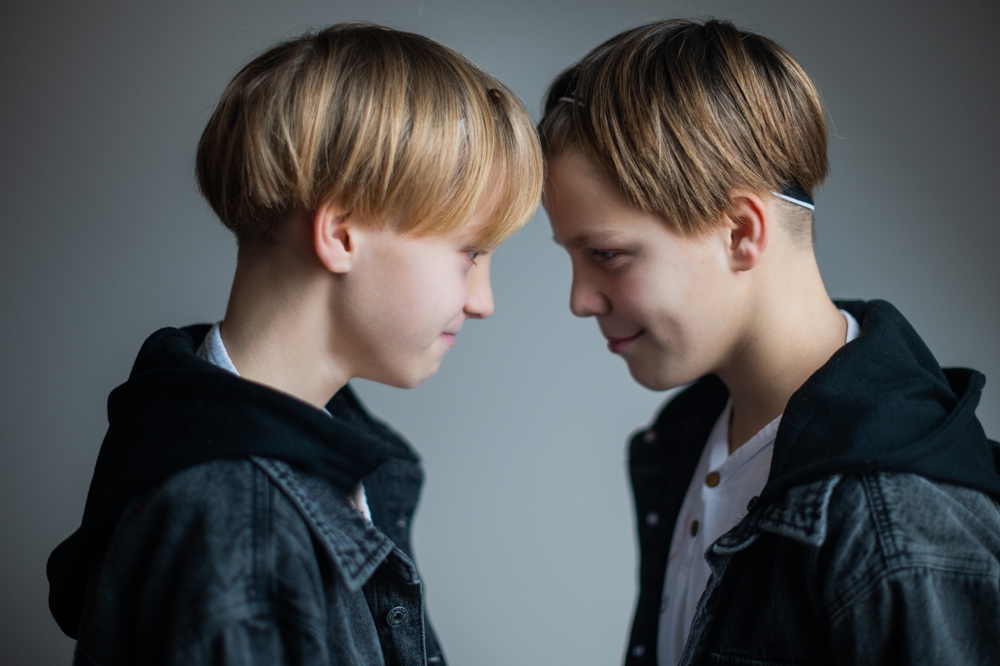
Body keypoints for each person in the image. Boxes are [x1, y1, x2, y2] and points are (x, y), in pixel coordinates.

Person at [47, 22, 542, 665]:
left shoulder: (309, 465)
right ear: (340, 234)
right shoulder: (238, 535)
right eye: (469, 253)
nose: (484, 301)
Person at [539, 18, 1000, 666]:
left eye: (608, 255)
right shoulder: (686, 435)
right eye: (571, 257)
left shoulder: (898, 522)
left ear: (740, 232)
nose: (579, 298)